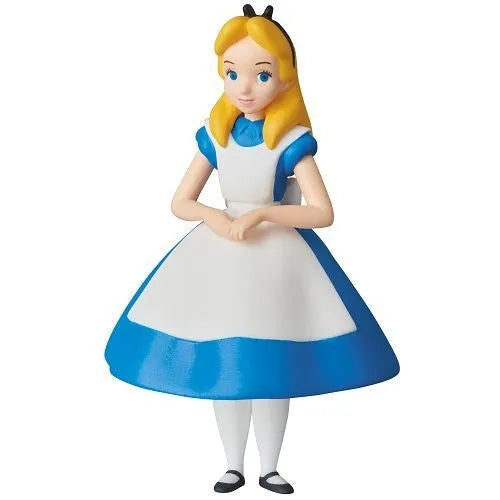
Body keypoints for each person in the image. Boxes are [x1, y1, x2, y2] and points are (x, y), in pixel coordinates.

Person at [105, 4, 399, 494]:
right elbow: (181, 201)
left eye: (261, 74)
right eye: (232, 73)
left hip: (277, 261)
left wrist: (263, 215)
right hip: (219, 255)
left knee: (271, 365)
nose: (245, 87)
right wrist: (215, 216)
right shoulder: (215, 136)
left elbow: (321, 212)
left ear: (284, 78)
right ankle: (232, 463)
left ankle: (270, 466)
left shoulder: (291, 141)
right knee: (225, 363)